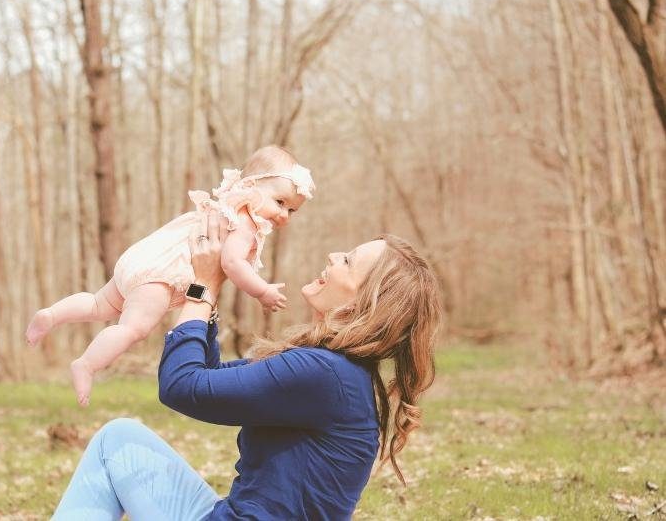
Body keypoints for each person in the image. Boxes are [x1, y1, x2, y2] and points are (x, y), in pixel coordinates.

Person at [51, 210, 442, 520]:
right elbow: (212, 381)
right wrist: (210, 291)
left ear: (362, 303)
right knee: (119, 439)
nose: (332, 256)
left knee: (114, 442)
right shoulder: (337, 373)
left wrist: (201, 289)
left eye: (347, 261)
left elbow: (182, 386)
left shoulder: (324, 374)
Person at [26, 146, 315, 406]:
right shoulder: (245, 222)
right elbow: (231, 263)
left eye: (292, 210)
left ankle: (52, 315)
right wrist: (261, 291)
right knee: (133, 329)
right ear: (251, 186)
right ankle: (87, 364)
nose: (284, 215)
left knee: (99, 304)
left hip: (144, 257)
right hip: (161, 276)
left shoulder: (226, 205)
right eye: (280, 202)